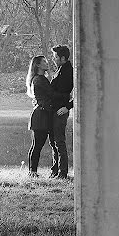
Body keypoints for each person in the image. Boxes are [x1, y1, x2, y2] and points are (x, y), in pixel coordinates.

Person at [25, 55, 55, 177]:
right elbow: (52, 94)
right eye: (44, 62)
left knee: (36, 145)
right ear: (38, 65)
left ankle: (32, 171)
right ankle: (32, 171)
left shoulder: (40, 79)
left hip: (42, 114)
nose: (47, 63)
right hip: (41, 116)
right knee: (37, 145)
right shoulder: (40, 79)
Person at [48, 44, 73, 179]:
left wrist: (67, 107)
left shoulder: (68, 71)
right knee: (54, 141)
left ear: (63, 58)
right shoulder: (61, 69)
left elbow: (78, 93)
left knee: (59, 141)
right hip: (55, 109)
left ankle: (63, 172)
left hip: (60, 111)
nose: (54, 59)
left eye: (55, 57)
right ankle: (55, 170)